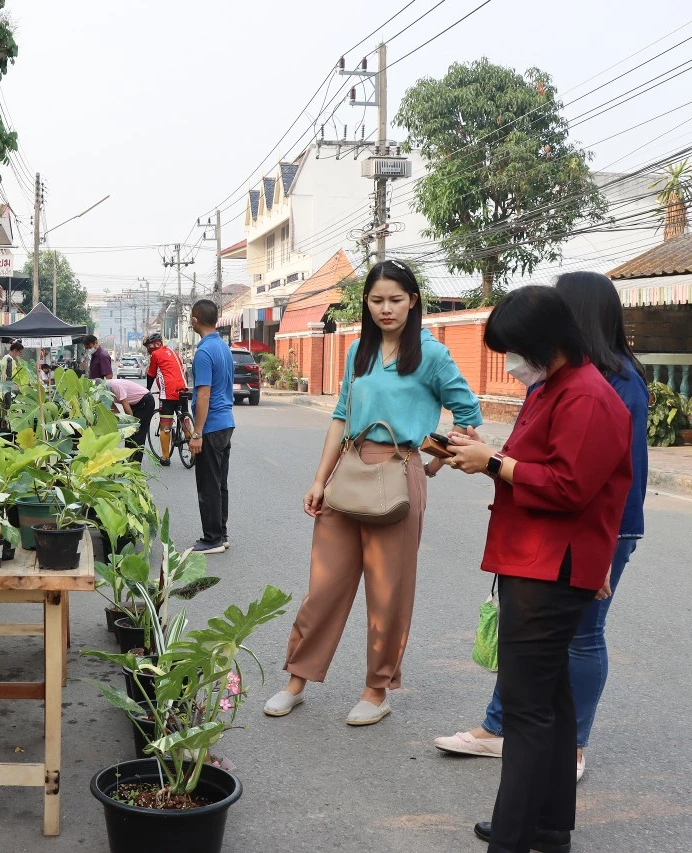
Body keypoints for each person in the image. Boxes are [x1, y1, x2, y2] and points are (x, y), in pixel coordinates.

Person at [434, 271, 649, 785]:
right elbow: (532, 452)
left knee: (577, 639)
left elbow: (590, 482)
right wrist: (476, 455)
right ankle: (506, 732)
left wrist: (600, 555)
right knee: (531, 652)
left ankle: (566, 747)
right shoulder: (553, 381)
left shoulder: (608, 387)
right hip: (543, 533)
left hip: (594, 532)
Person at [263, 259, 482, 725]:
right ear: (366, 302)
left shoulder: (431, 355)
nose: (386, 309)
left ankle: (376, 690)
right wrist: (319, 479)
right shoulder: (358, 349)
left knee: (388, 593)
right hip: (349, 471)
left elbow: (467, 412)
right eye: (378, 300)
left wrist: (439, 459)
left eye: (396, 300)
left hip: (400, 475)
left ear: (413, 302)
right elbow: (340, 416)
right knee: (323, 589)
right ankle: (296, 681)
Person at [188, 299, 235, 554]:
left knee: (208, 484)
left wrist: (197, 432)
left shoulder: (204, 352)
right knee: (219, 483)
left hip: (212, 425)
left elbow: (204, 394)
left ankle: (212, 538)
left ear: (195, 320)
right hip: (226, 423)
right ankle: (221, 533)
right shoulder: (223, 347)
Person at [144, 332, 190, 466]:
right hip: (182, 389)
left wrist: (147, 390)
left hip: (168, 393)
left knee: (165, 426)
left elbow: (151, 374)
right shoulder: (173, 352)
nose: (148, 349)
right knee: (185, 421)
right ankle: (193, 454)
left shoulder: (155, 355)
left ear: (153, 345)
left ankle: (165, 457)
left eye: (148, 346)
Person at [106, 377, 155, 462]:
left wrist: (133, 424)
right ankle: (128, 461)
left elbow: (125, 403)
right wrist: (121, 422)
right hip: (134, 404)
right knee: (128, 433)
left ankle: (135, 464)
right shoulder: (106, 391)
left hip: (145, 402)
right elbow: (113, 408)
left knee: (137, 434)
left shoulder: (115, 386)